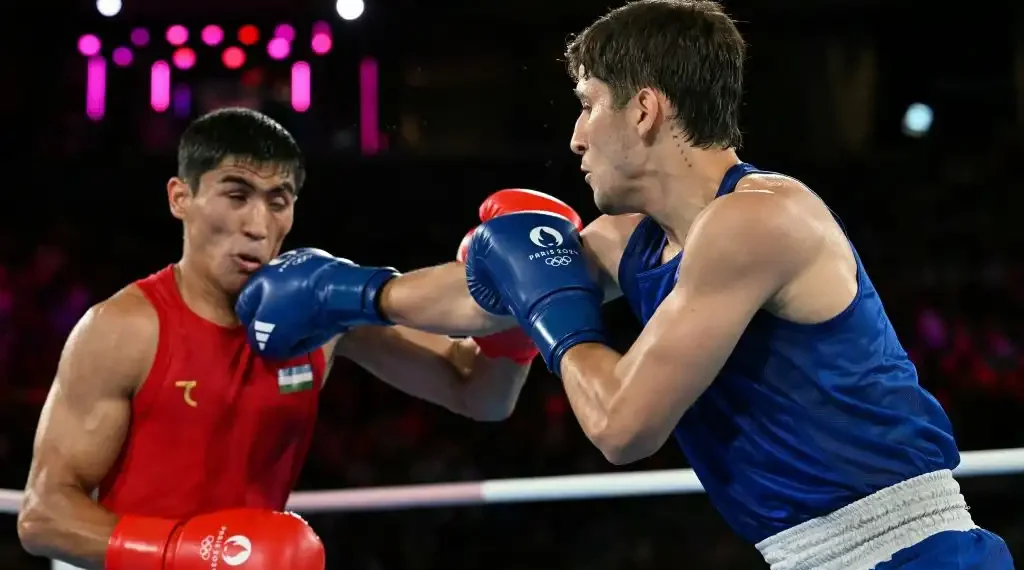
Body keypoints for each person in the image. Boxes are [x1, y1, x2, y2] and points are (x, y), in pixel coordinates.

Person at [235, 2, 1016, 570]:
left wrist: (558, 318)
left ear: (644, 109)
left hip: (915, 553)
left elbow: (620, 425)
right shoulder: (633, 241)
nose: (574, 136)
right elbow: (484, 293)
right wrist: (352, 292)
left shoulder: (757, 222)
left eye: (588, 106)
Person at [16, 107, 540, 570]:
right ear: (181, 197)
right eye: (236, 195)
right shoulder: (124, 328)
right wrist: (193, 555)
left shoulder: (320, 316)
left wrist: (517, 316)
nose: (257, 224)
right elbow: (43, 516)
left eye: (277, 200)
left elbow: (479, 394)